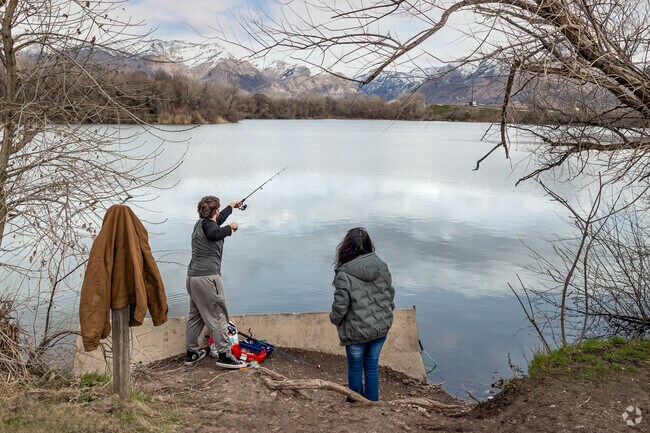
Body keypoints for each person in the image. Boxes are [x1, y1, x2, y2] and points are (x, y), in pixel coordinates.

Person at [330, 227, 395, 401]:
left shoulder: (344, 274)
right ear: (368, 245)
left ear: (346, 247)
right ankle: (372, 401)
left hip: (356, 331)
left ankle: (354, 401)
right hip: (380, 328)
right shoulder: (382, 265)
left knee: (355, 368)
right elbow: (390, 294)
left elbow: (340, 307)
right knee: (372, 366)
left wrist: (335, 321)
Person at [185, 195, 246, 369]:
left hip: (192, 278)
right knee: (219, 316)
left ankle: (192, 353)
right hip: (208, 279)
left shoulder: (200, 224)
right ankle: (225, 355)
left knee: (195, 317)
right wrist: (231, 227)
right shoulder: (211, 228)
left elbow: (215, 222)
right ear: (215, 211)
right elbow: (215, 232)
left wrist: (230, 206)